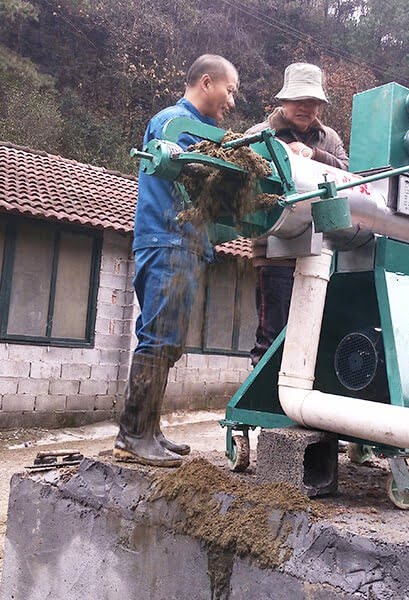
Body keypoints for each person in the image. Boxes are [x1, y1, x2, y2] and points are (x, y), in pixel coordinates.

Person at [113, 54, 239, 467]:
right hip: (168, 240)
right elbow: (194, 177)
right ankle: (133, 436)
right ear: (207, 82)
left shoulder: (193, 128)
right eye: (230, 91)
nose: (232, 102)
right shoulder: (175, 123)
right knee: (158, 338)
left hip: (181, 243)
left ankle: (148, 430)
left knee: (166, 341)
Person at [245, 63, 348, 366]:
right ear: (284, 100)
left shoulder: (329, 139)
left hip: (319, 252)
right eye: (299, 100)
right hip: (274, 253)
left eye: (313, 102)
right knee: (272, 337)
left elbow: (348, 173)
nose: (306, 108)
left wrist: (313, 154)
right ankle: (263, 392)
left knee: (311, 339)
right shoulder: (258, 135)